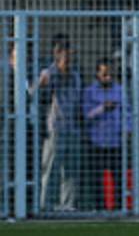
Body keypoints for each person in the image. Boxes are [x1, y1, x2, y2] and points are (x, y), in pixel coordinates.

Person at [34, 34, 83, 212]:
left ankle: (67, 205)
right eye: (61, 52)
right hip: (54, 128)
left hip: (73, 128)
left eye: (67, 51)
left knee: (71, 170)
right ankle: (44, 205)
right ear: (56, 53)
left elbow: (78, 102)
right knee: (50, 168)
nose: (66, 56)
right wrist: (44, 83)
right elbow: (37, 95)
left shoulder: (76, 75)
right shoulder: (48, 73)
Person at [82, 58, 126, 212]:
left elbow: (127, 113)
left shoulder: (120, 90)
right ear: (97, 74)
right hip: (97, 141)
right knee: (97, 178)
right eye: (104, 74)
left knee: (119, 177)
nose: (108, 77)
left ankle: (120, 208)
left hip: (115, 141)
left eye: (110, 74)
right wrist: (102, 108)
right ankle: (98, 208)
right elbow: (85, 115)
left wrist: (127, 130)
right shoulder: (89, 92)